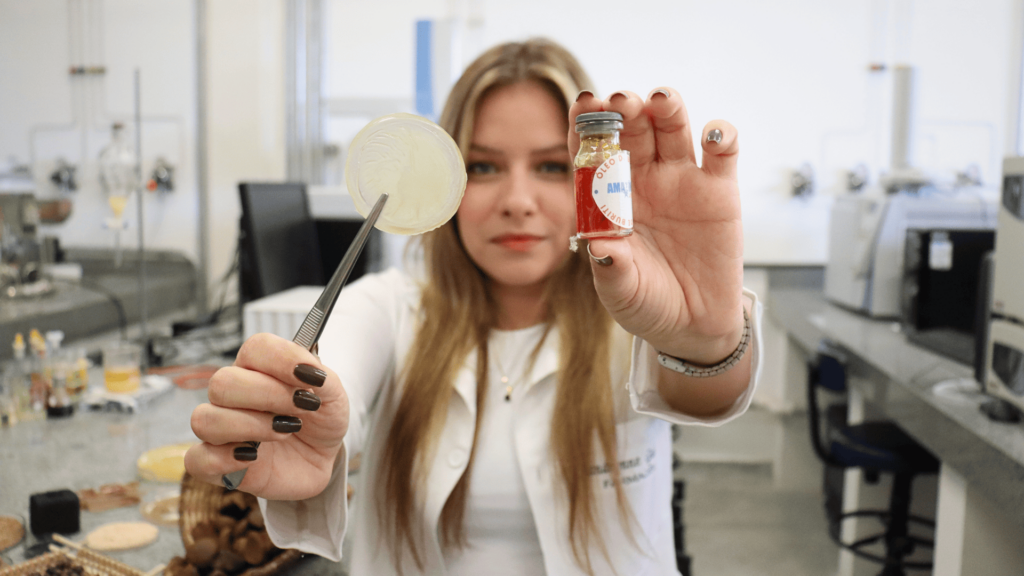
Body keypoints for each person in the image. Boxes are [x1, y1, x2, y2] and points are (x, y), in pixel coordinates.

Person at [185, 38, 762, 575]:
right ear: (447, 182)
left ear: (591, 176)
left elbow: (711, 395)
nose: (517, 201)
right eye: (484, 167)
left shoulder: (638, 316)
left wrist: (705, 341)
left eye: (552, 166)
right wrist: (299, 418)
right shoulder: (389, 308)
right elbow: (338, 372)